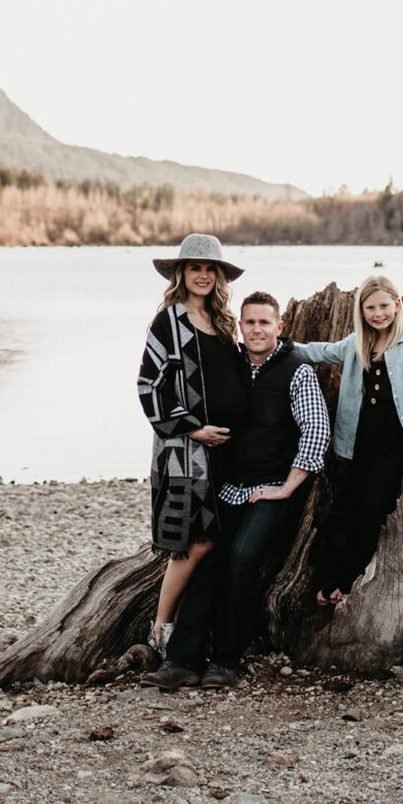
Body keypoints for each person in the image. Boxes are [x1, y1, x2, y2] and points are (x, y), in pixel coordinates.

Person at [142, 290, 330, 688]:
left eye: (265, 322)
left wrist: (286, 487)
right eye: (250, 323)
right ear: (239, 328)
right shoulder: (236, 364)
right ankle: (182, 660)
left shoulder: (297, 369)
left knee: (244, 555)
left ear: (280, 327)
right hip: (230, 487)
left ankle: (225, 660)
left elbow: (317, 431)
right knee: (208, 555)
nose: (257, 329)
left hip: (274, 487)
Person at [293, 274, 403, 605]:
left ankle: (347, 582)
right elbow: (320, 352)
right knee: (346, 508)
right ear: (361, 310)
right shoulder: (356, 343)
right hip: (357, 442)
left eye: (384, 305)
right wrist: (275, 342)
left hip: (394, 441)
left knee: (374, 508)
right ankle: (327, 580)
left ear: (397, 305)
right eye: (370, 307)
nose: (378, 313)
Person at [136, 233, 250, 652]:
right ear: (181, 273)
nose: (202, 275)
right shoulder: (169, 320)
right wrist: (192, 428)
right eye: (194, 267)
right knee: (190, 545)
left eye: (209, 269)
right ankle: (161, 631)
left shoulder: (224, 322)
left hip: (226, 455)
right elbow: (148, 386)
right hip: (186, 453)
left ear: (219, 276)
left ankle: (190, 628)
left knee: (214, 543)